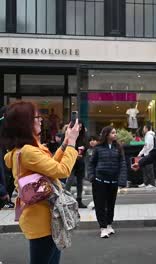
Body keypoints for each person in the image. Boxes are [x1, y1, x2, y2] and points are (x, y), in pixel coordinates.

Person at [1, 101, 79, 264]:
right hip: (43, 221)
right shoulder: (28, 151)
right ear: (25, 123)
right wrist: (72, 143)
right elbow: (62, 170)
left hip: (45, 218)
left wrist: (65, 144)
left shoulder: (24, 149)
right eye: (37, 117)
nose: (41, 120)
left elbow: (50, 166)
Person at [88, 126, 127, 238]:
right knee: (100, 205)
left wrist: (122, 180)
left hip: (113, 181)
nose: (115, 135)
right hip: (99, 181)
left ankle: (109, 224)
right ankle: (103, 227)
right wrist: (91, 177)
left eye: (115, 132)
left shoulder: (118, 148)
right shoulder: (98, 148)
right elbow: (91, 163)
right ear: (106, 134)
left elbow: (122, 164)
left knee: (111, 204)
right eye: (113, 133)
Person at [65, 121, 88, 208]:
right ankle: (66, 199)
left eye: (81, 127)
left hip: (80, 161)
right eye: (78, 127)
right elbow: (65, 147)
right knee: (70, 179)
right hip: (71, 161)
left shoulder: (84, 136)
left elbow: (86, 146)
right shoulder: (69, 135)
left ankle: (79, 199)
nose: (79, 129)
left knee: (80, 182)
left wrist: (83, 151)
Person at [137, 123, 156, 188]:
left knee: (149, 169)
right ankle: (146, 183)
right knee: (145, 169)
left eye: (144, 128)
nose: (143, 129)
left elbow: (147, 146)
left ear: (147, 129)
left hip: (149, 154)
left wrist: (140, 153)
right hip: (147, 154)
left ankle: (152, 183)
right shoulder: (147, 135)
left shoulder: (149, 136)